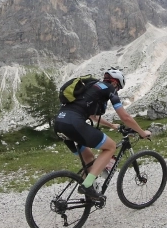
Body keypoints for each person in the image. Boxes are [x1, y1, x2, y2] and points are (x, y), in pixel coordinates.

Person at [54, 69, 151, 199]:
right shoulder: (109, 88)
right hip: (74, 123)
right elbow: (125, 117)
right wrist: (142, 132)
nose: (117, 91)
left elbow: (91, 116)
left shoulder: (91, 88)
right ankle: (87, 186)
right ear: (116, 83)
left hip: (59, 123)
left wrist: (111, 125)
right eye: (119, 88)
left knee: (89, 158)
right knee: (110, 147)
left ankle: (85, 195)